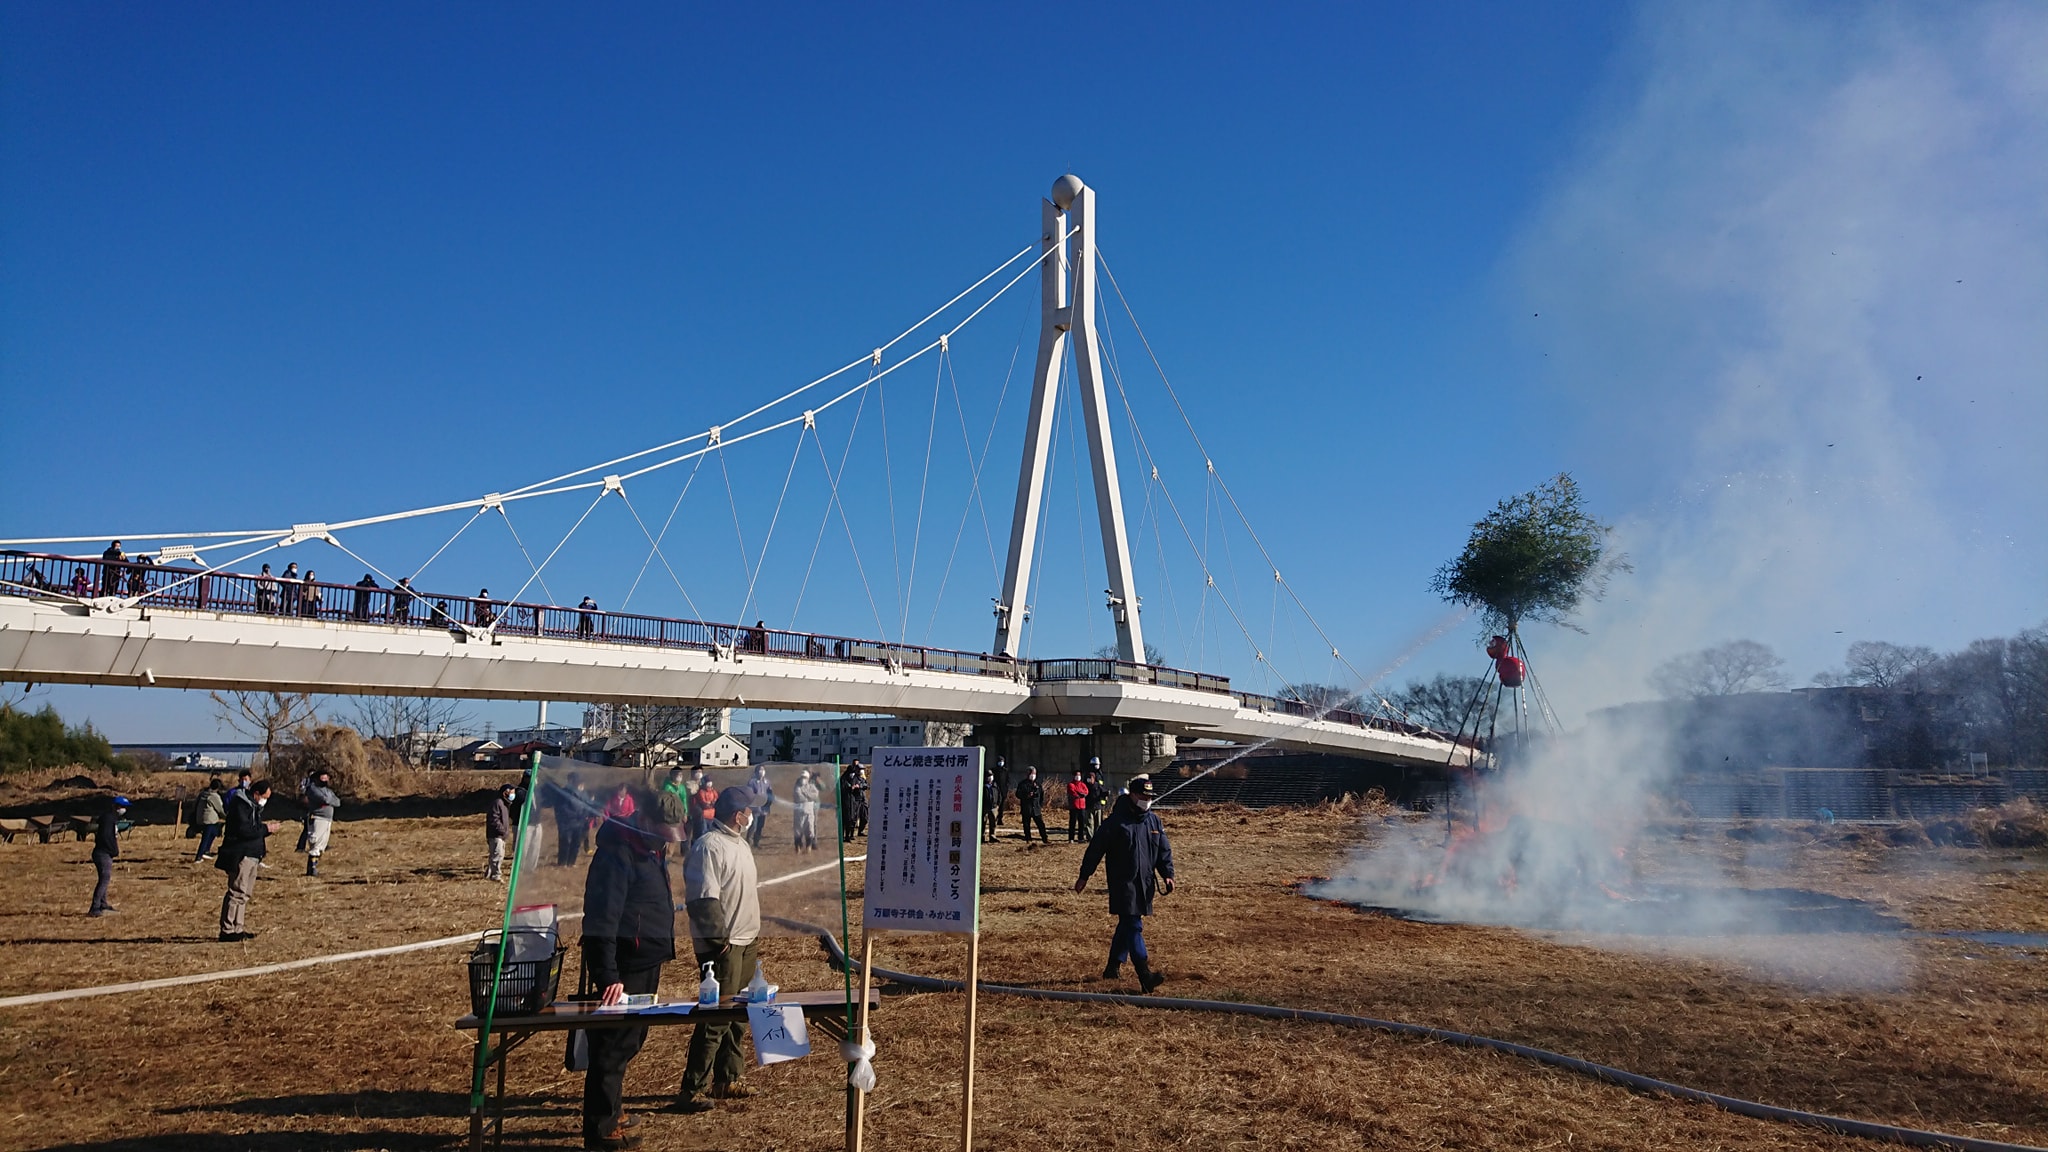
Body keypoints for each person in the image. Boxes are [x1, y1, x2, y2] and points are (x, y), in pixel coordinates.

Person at [578, 787, 675, 1150]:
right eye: (664, 831)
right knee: (612, 1047)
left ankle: (613, 1109)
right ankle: (601, 1130)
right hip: (623, 966)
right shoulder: (617, 853)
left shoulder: (649, 848)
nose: (668, 840)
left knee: (631, 1041)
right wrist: (608, 976)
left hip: (646, 960)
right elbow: (601, 918)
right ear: (646, 821)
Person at [675, 789, 761, 1113]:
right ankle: (692, 1088)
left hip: (746, 940)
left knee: (737, 1017)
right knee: (716, 1018)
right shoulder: (709, 847)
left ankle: (728, 1077)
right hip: (724, 946)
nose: (751, 815)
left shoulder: (741, 844)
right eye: (748, 810)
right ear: (737, 815)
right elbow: (701, 899)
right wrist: (718, 939)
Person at [1075, 774, 1175, 992]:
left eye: (1150, 796)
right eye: (1143, 795)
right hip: (1123, 884)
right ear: (1132, 795)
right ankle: (1144, 974)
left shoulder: (1154, 821)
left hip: (1145, 883)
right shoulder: (1115, 822)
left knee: (1127, 925)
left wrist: (1168, 874)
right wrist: (1085, 875)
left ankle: (1112, 966)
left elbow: (1163, 850)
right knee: (1133, 925)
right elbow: (1095, 850)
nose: (1147, 799)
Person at [218, 781, 281, 941]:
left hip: (253, 855)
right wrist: (266, 829)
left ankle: (238, 928)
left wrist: (265, 830)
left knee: (244, 894)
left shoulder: (252, 808)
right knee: (236, 892)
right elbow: (245, 830)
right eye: (265, 797)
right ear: (256, 794)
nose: (265, 801)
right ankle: (228, 930)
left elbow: (254, 830)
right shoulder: (241, 806)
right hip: (241, 854)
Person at [89, 795, 130, 916]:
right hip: (103, 853)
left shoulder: (111, 818)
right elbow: (106, 837)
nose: (124, 809)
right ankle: (95, 907)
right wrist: (113, 850)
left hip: (105, 853)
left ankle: (103, 904)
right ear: (116, 807)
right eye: (122, 807)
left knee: (104, 878)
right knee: (104, 879)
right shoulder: (108, 819)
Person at [302, 769, 339, 876]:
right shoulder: (313, 789)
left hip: (328, 819)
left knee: (322, 845)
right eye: (323, 777)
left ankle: (315, 866)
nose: (325, 779)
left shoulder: (328, 790)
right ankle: (311, 868)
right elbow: (325, 800)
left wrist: (329, 800)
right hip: (318, 818)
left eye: (326, 777)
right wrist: (329, 800)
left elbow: (337, 801)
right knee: (315, 844)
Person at [552, 772, 594, 866]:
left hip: (579, 823)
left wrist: (584, 816)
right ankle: (562, 863)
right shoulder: (563, 793)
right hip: (566, 823)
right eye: (576, 781)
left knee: (576, 843)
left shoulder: (582, 793)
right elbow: (561, 808)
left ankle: (571, 863)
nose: (578, 784)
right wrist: (575, 816)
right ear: (571, 781)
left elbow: (587, 806)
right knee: (565, 843)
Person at [486, 782, 518, 882]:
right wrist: (502, 830)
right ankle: (496, 875)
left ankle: (490, 872)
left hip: (501, 835)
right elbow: (494, 819)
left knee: (497, 854)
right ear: (505, 793)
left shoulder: (505, 804)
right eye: (512, 792)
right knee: (497, 854)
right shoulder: (498, 803)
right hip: (496, 834)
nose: (513, 794)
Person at [194, 776, 227, 861]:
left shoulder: (203, 794)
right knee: (205, 837)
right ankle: (199, 856)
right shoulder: (214, 796)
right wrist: (227, 817)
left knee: (214, 832)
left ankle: (206, 851)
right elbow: (220, 809)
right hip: (209, 820)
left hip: (200, 818)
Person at [1014, 766, 1048, 843]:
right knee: (1026, 825)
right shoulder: (1022, 784)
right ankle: (1028, 839)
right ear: (1027, 774)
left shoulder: (1038, 785)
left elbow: (1041, 796)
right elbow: (1018, 794)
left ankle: (1045, 838)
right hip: (1026, 808)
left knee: (1041, 824)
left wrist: (1040, 805)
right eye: (1031, 773)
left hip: (1036, 808)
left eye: (1034, 773)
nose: (1033, 775)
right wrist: (1027, 796)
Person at [792, 768, 820, 852]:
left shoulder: (811, 786)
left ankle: (809, 847)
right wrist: (808, 797)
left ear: (808, 778)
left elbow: (815, 795)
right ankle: (798, 847)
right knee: (798, 829)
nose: (803, 779)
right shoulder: (797, 786)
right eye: (802, 777)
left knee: (810, 829)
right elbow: (798, 797)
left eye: (805, 777)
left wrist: (806, 794)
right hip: (799, 812)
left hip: (810, 812)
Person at [745, 765, 773, 848]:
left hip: (764, 808)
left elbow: (770, 793)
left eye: (763, 770)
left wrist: (769, 804)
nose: (761, 772)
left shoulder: (767, 782)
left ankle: (756, 842)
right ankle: (748, 841)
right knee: (754, 825)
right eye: (760, 770)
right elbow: (749, 794)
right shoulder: (752, 782)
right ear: (756, 772)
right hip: (755, 808)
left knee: (760, 825)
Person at [839, 762, 868, 839]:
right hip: (847, 801)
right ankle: (844, 835)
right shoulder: (844, 778)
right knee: (847, 819)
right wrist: (850, 788)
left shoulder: (860, 778)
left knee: (855, 817)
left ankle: (851, 834)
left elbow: (866, 785)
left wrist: (859, 786)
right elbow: (843, 787)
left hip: (856, 800)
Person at [690, 775, 720, 843]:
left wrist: (711, 803)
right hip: (704, 816)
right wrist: (711, 804)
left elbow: (717, 801)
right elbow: (704, 804)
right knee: (703, 833)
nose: (709, 783)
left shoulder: (714, 791)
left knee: (711, 834)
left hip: (712, 816)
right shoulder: (701, 792)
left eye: (710, 781)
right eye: (708, 782)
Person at [1065, 770, 1092, 842]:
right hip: (1074, 806)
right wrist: (1080, 794)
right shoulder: (1071, 784)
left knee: (1082, 823)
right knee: (1072, 823)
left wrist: (1081, 793)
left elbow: (1086, 791)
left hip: (1082, 806)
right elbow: (1073, 792)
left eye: (1079, 775)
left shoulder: (1082, 784)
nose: (1078, 777)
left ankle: (1080, 838)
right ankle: (1071, 838)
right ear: (1074, 776)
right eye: (1077, 775)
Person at [982, 763, 1002, 844]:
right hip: (985, 807)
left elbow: (999, 795)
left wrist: (998, 804)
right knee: (983, 822)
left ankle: (992, 836)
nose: (990, 777)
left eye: (991, 776)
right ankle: (982, 836)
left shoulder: (995, 785)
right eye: (988, 776)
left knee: (993, 822)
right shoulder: (982, 786)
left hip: (994, 807)